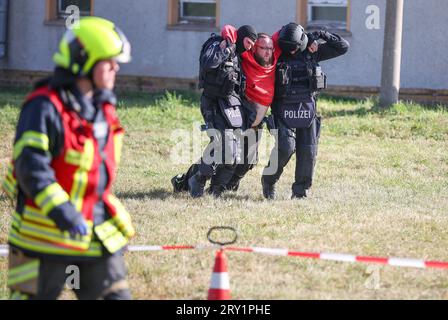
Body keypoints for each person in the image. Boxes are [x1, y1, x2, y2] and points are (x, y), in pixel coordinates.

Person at [1, 17, 135, 300]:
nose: (116, 67)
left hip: (92, 231)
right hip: (43, 238)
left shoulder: (102, 107)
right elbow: (30, 167)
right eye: (108, 61)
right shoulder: (43, 107)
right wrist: (63, 212)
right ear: (84, 61)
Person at [261, 23, 349, 199]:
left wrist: (319, 34)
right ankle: (268, 180)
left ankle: (300, 192)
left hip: (306, 109)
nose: (291, 52)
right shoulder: (276, 53)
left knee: (308, 151)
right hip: (282, 109)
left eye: (294, 49)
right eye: (288, 49)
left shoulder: (311, 51)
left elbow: (343, 47)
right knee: (286, 148)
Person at [171, 25, 258, 198]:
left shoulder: (238, 57)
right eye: (248, 42)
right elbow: (208, 62)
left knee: (233, 154)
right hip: (212, 103)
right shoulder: (218, 43)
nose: (249, 47)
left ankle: (214, 189)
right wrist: (227, 48)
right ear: (241, 37)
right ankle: (198, 179)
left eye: (252, 44)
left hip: (231, 105)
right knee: (221, 145)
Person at [220, 30, 282, 192]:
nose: (268, 51)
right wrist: (227, 39)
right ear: (254, 48)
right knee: (227, 157)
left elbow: (286, 30)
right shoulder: (246, 56)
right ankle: (208, 183)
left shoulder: (274, 57)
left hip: (256, 125)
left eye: (271, 48)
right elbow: (229, 29)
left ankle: (230, 184)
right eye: (264, 48)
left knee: (248, 162)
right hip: (240, 121)